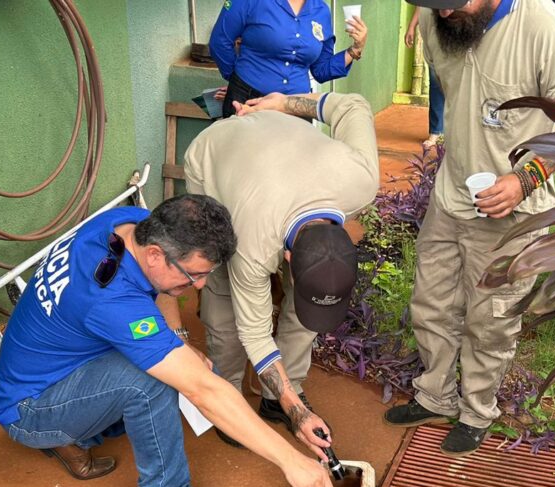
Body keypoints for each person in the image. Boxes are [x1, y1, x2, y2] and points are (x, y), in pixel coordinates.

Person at [0, 196, 334, 487]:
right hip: (28, 409)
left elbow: (163, 285)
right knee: (150, 382)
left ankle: (74, 435)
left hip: (52, 372)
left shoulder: (131, 225)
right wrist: (291, 460)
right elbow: (204, 390)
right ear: (155, 254)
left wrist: (179, 342)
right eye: (193, 276)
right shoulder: (111, 297)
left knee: (165, 362)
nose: (198, 286)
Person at [386, 0, 555, 456]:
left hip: (513, 212)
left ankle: (476, 411)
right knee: (431, 303)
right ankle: (435, 395)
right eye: (433, 7)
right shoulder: (434, 19)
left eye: (450, 4)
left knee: (490, 318)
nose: (442, 16)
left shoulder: (543, 26)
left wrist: (525, 179)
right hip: (451, 197)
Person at [180, 92, 378, 455]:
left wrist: (285, 104)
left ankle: (277, 395)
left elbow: (352, 105)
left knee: (309, 300)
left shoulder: (361, 182)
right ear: (286, 258)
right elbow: (254, 333)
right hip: (216, 156)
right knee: (224, 296)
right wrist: (298, 412)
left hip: (278, 142)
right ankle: (229, 397)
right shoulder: (252, 241)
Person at [209, 0, 369, 118]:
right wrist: (236, 80)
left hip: (296, 106)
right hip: (247, 101)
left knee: (294, 162)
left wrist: (355, 49)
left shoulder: (321, 11)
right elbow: (219, 42)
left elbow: (321, 71)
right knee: (245, 161)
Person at [405, 9, 445, 149]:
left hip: (458, 36)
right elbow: (422, 4)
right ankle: (436, 131)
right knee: (435, 84)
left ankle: (456, 132)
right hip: (434, 36)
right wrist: (412, 26)